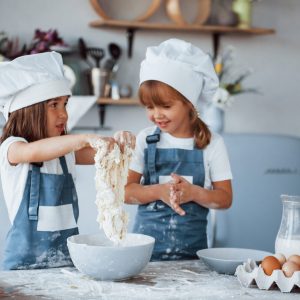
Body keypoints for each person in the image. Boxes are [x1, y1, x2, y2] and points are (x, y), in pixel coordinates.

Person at [0, 51, 135, 270]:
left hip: (68, 265)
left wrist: (121, 142)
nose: (63, 114)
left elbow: (107, 153)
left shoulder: (66, 153)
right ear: (28, 110)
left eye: (65, 104)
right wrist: (82, 138)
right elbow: (32, 152)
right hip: (23, 270)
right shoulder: (12, 148)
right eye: (54, 105)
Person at [125, 39, 233, 261]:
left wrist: (194, 193)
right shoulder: (146, 139)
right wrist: (159, 191)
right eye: (149, 107)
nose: (157, 114)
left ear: (189, 103)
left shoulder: (212, 143)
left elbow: (224, 199)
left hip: (193, 258)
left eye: (166, 106)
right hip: (143, 257)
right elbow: (125, 192)